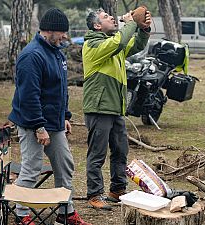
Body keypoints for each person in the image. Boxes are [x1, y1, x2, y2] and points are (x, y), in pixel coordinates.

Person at [8, 8, 91, 225]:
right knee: (32, 167)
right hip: (31, 123)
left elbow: (61, 90)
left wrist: (65, 115)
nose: (65, 36)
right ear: (50, 31)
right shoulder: (31, 56)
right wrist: (38, 127)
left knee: (65, 165)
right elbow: (28, 96)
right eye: (62, 32)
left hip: (55, 123)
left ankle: (66, 213)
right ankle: (21, 214)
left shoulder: (58, 53)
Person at [82, 8, 151, 210]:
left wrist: (143, 29)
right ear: (96, 25)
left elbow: (134, 43)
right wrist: (130, 21)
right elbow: (120, 41)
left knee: (121, 150)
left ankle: (117, 190)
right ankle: (94, 194)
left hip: (115, 108)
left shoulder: (113, 44)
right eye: (105, 17)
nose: (112, 17)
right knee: (97, 153)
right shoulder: (93, 44)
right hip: (99, 107)